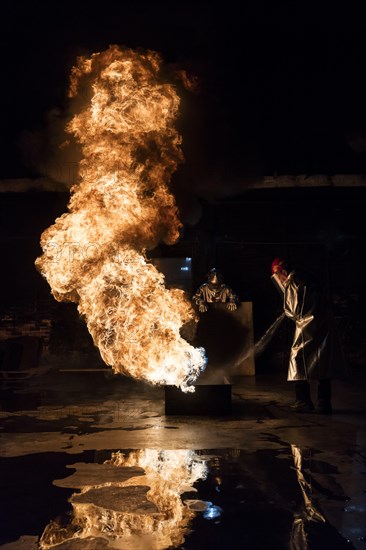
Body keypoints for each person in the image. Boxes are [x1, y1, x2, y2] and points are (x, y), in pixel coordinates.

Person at [270, 257, 348, 414]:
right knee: (323, 361)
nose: (279, 279)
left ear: (283, 272)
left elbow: (293, 311)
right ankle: (324, 403)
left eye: (278, 275)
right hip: (325, 325)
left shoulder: (292, 282)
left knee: (298, 361)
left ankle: (303, 401)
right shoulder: (308, 277)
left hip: (306, 326)